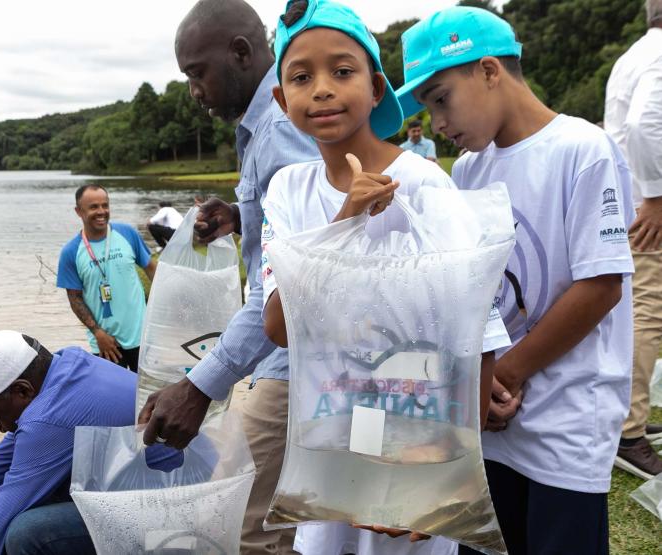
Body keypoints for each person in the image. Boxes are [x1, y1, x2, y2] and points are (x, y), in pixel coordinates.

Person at [259, 2, 509, 553]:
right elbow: (279, 325)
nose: (321, 89)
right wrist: (344, 221)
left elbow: (474, 328)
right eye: (301, 77)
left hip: (414, 426)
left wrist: (442, 477)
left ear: (376, 89)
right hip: (331, 431)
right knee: (330, 541)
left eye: (342, 72)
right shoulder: (288, 192)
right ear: (282, 100)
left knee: (399, 539)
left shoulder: (422, 184)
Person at [398, 7, 634, 554]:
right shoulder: (469, 170)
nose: (436, 124)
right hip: (495, 424)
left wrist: (504, 373)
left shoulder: (582, 150)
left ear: (487, 71)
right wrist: (480, 390)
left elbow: (601, 285)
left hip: (567, 422)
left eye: (440, 99)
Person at [137, 1, 320, 552]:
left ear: (240, 52)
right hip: (286, 357)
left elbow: (290, 283)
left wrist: (199, 386)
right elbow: (306, 221)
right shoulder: (264, 127)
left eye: (197, 72)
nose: (194, 90)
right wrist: (243, 216)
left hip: (291, 362)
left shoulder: (278, 132)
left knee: (247, 530)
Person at [0, 331, 178, 555]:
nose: (2, 428)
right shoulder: (67, 364)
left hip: (177, 507)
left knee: (25, 531)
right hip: (170, 482)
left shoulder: (49, 419)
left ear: (22, 391)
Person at [604, 0, 662, 479]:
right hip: (648, 208)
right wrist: (657, 198)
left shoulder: (634, 53)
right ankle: (629, 430)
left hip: (630, 199)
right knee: (648, 309)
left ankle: (630, 412)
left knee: (636, 309)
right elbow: (645, 124)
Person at [57, 184, 156, 372]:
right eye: (94, 207)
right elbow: (75, 299)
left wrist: (167, 309)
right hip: (105, 344)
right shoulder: (71, 252)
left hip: (142, 337)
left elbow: (152, 270)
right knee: (115, 399)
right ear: (79, 211)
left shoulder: (127, 234)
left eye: (105, 205)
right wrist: (98, 333)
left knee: (148, 397)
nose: (101, 211)